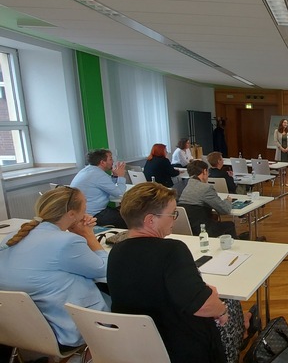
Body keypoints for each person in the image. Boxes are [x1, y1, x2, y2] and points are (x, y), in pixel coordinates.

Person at [108, 183, 253, 363]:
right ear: (150, 220)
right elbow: (204, 306)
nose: (174, 219)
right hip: (179, 347)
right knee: (230, 304)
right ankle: (244, 330)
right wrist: (221, 310)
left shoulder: (116, 252)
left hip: (137, 345)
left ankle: (245, 324)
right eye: (172, 214)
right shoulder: (172, 250)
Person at [0, 187, 108, 348]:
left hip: (21, 330)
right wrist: (88, 235)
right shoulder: (67, 242)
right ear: (72, 214)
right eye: (84, 206)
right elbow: (105, 269)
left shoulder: (11, 238)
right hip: (68, 329)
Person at [178, 160, 236, 238]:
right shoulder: (206, 188)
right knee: (230, 225)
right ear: (204, 171)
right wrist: (228, 201)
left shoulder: (181, 186)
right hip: (202, 229)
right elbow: (225, 210)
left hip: (184, 228)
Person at [70, 148, 127, 228]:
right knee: (127, 218)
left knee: (119, 211)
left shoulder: (88, 170)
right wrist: (121, 177)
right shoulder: (98, 175)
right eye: (110, 159)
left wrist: (114, 176)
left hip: (80, 212)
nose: (113, 161)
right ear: (102, 162)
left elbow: (108, 185)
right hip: (92, 215)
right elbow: (120, 193)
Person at [273, 118, 288, 186]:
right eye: (284, 123)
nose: (286, 124)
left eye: (287, 123)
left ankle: (287, 181)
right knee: (280, 167)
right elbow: (275, 141)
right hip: (280, 151)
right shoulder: (277, 131)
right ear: (281, 123)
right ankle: (281, 181)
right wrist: (281, 148)